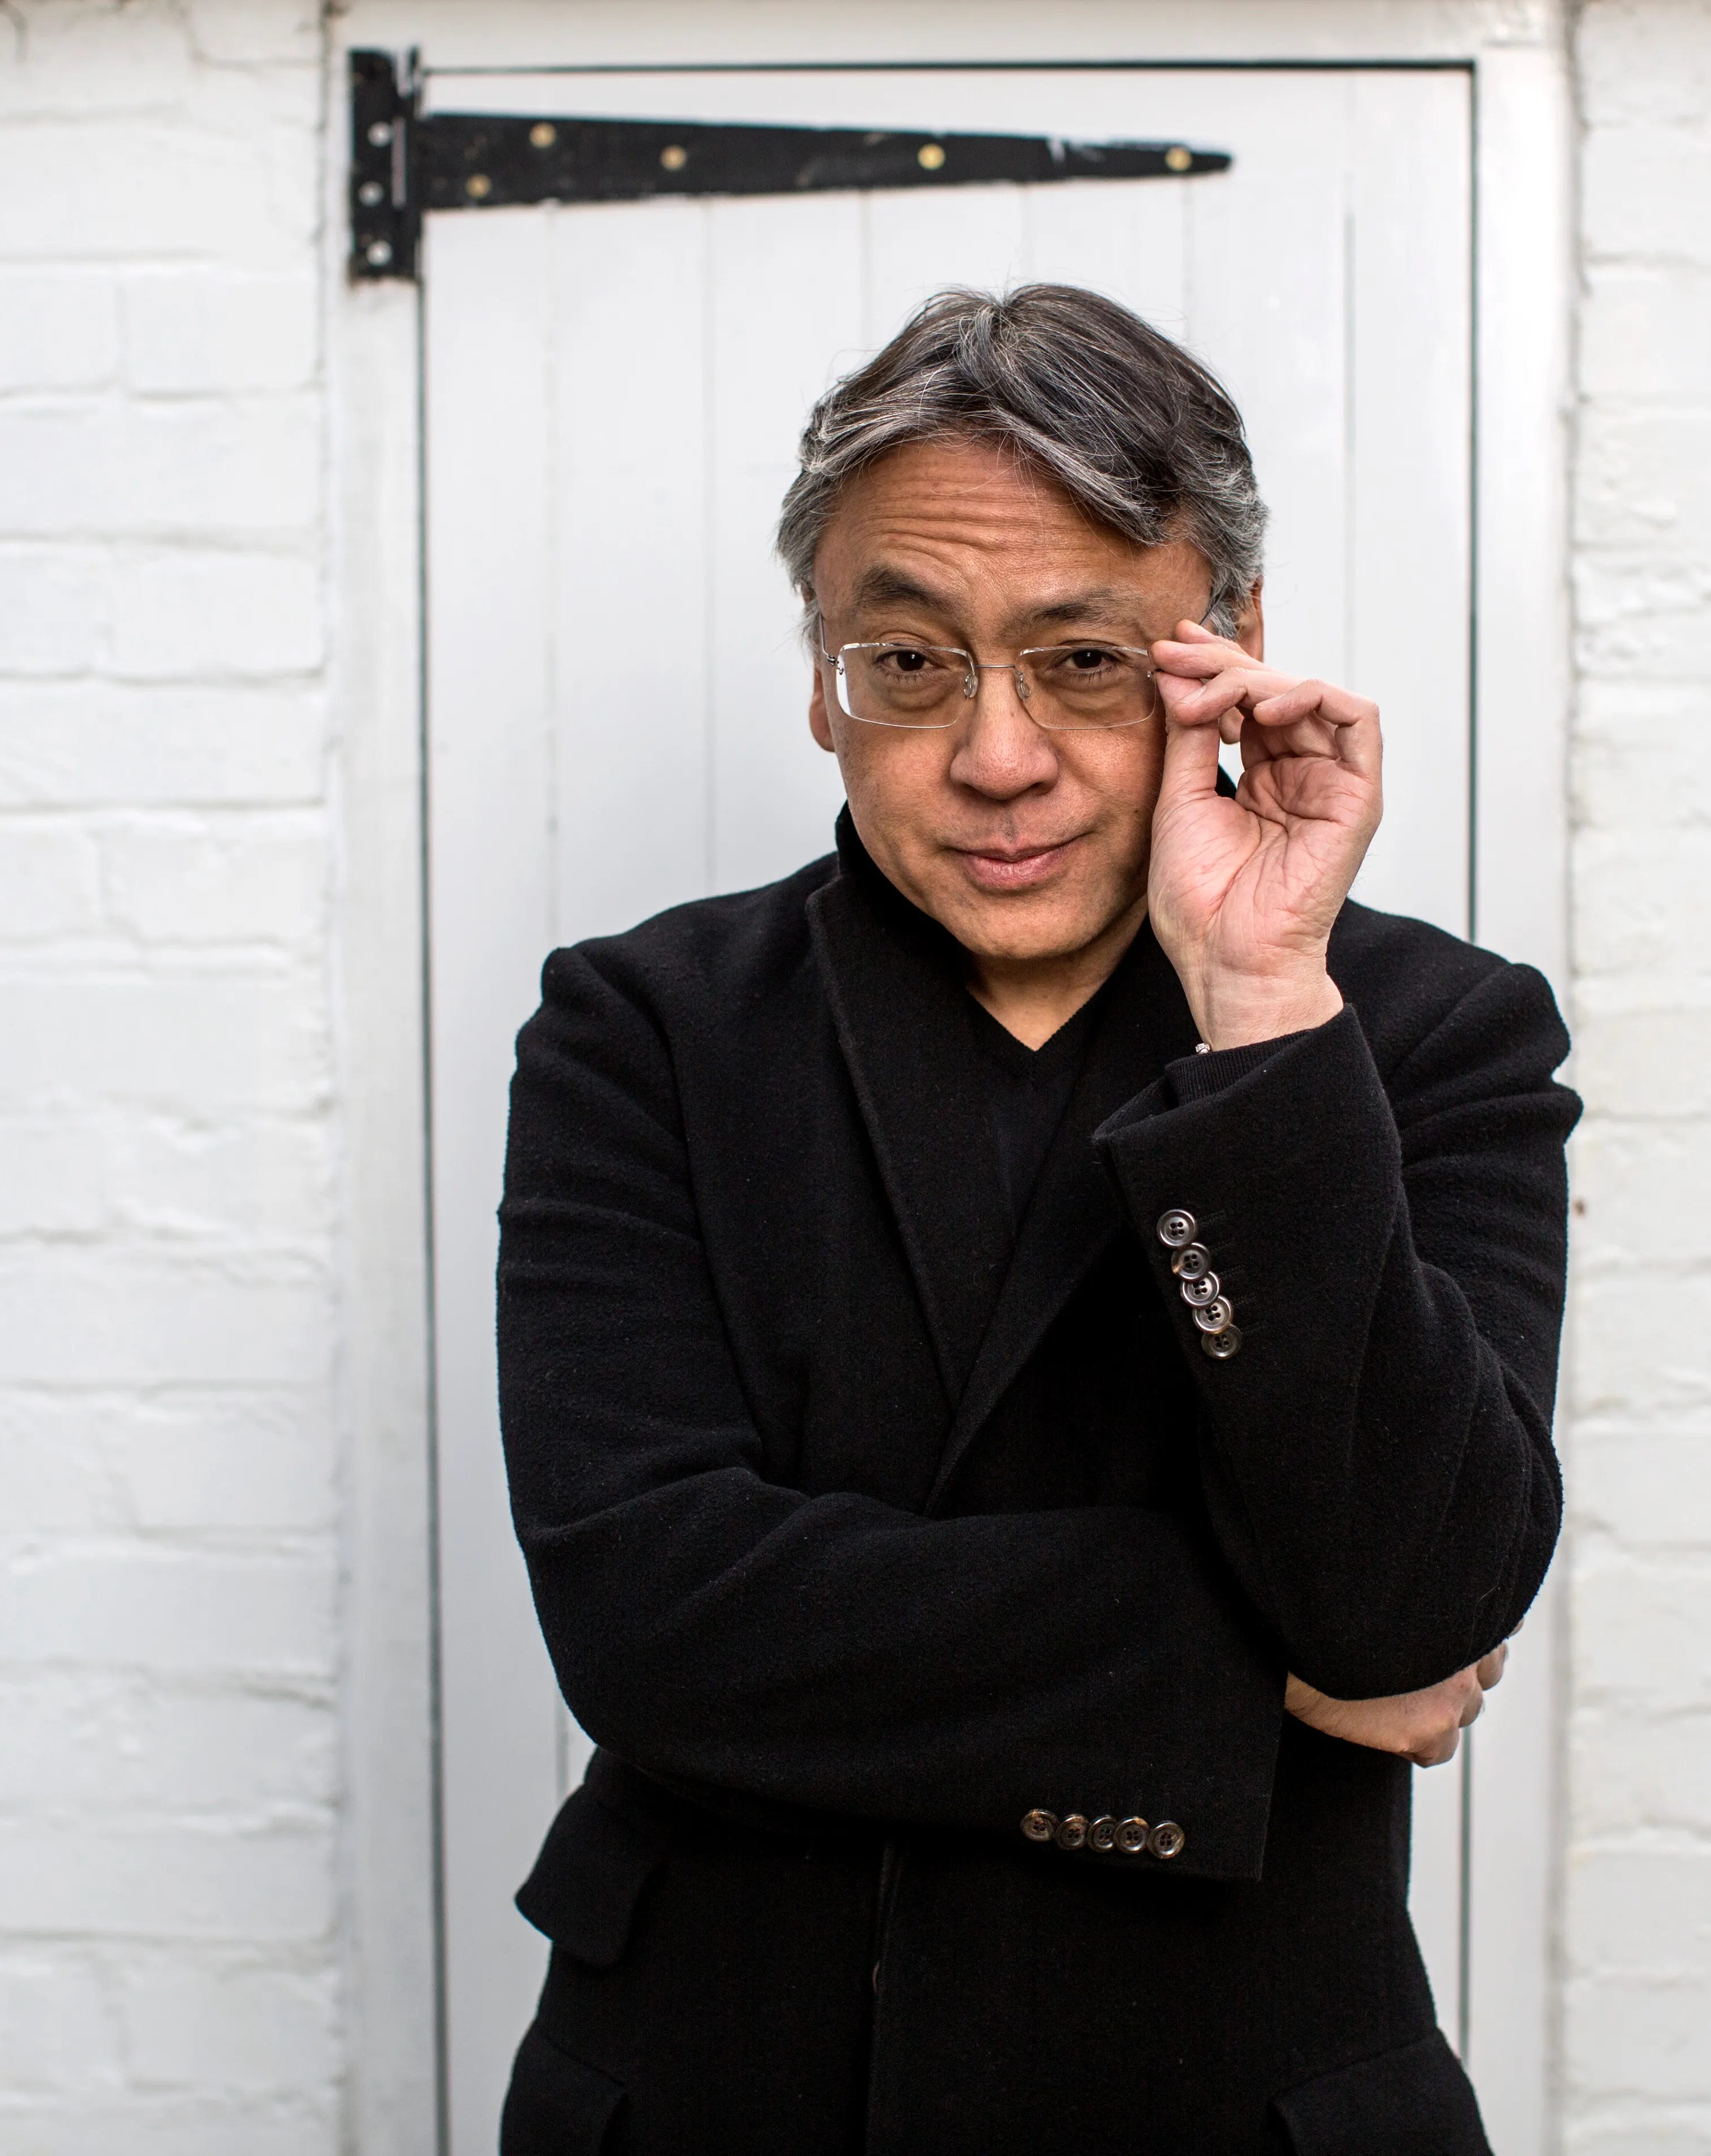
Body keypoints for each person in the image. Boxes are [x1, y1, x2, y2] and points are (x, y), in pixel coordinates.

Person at [495, 284, 1579, 2155]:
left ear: (1232, 646)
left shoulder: (1425, 1037)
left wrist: (1264, 1006)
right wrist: (1257, 1669)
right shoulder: (645, 1031)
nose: (997, 756)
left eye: (1083, 660)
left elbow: (1417, 1594)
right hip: (720, 2081)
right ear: (822, 673)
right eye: (911, 662)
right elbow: (649, 1619)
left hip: (1240, 2091)